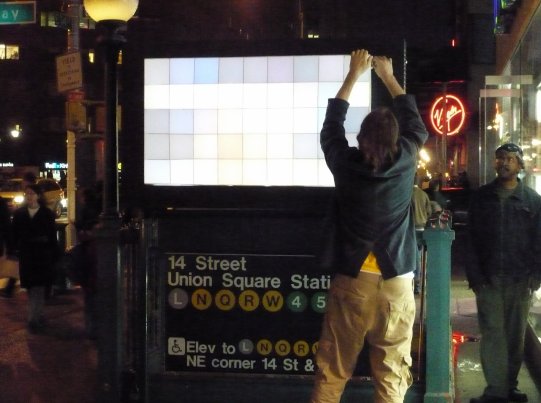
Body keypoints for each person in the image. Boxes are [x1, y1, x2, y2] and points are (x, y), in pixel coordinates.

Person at [310, 49, 428, 403]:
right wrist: (388, 76)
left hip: (353, 282)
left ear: (361, 139)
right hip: (397, 284)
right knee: (391, 376)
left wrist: (353, 74)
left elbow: (330, 130)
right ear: (395, 140)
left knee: (333, 370)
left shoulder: (346, 167)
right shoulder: (406, 160)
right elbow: (416, 125)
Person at [466, 143, 541, 403]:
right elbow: (471, 239)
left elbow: (539, 241)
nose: (504, 163)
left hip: (520, 280)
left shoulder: (532, 200)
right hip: (488, 280)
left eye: (510, 158)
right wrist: (475, 277)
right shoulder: (482, 197)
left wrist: (536, 275)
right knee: (493, 334)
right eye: (499, 158)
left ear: (520, 165)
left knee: (515, 336)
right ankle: (496, 391)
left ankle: (509, 386)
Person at [10, 184, 60, 333]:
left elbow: (52, 236)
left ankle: (34, 317)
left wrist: (55, 253)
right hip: (27, 254)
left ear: (38, 195)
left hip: (42, 254)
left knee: (39, 287)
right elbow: (14, 234)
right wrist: (13, 250)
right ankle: (36, 316)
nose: (29, 197)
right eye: (27, 194)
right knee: (32, 287)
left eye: (32, 194)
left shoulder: (46, 213)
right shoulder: (20, 214)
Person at [0, 171, 37, 298]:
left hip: (24, 236)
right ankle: (11, 287)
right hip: (24, 236)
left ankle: (12, 288)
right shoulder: (32, 194)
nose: (22, 183)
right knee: (19, 263)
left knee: (20, 263)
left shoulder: (30, 194)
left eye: (23, 181)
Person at [74, 187, 100, 338]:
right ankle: (94, 328)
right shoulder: (96, 208)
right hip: (94, 276)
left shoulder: (89, 245)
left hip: (91, 277)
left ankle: (92, 329)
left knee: (91, 301)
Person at [411, 176, 433, 294]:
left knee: (414, 258)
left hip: (412, 229)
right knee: (420, 256)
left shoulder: (408, 194)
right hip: (422, 228)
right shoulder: (423, 195)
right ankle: (421, 282)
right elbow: (429, 211)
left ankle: (416, 284)